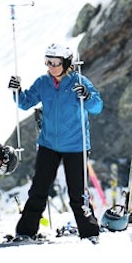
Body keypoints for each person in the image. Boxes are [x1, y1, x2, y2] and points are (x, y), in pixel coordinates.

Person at [10, 43, 103, 241]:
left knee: (77, 194)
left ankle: (89, 233)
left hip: (76, 145)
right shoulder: (44, 82)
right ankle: (26, 232)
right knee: (38, 189)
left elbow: (97, 106)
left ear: (66, 63)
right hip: (49, 144)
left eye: (55, 63)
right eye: (48, 62)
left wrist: (86, 96)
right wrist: (17, 92)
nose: (51, 67)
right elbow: (26, 102)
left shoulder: (79, 81)